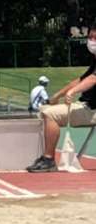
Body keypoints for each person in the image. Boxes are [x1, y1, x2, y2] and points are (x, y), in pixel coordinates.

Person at [27, 22, 96, 172]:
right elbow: (80, 80)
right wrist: (57, 96)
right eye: (90, 37)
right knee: (43, 109)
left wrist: (72, 92)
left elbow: (93, 79)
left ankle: (48, 159)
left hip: (92, 111)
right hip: (87, 107)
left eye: (95, 38)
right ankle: (43, 154)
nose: (92, 42)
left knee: (50, 114)